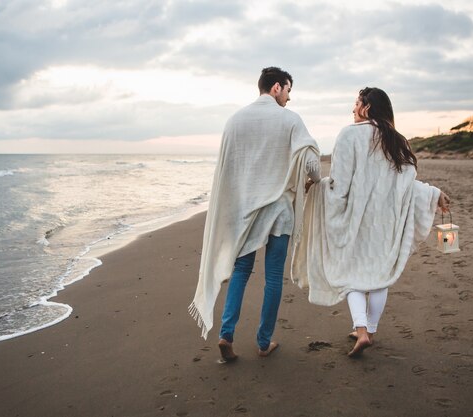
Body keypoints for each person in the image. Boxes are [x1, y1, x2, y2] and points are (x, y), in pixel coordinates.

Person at [292, 87, 450, 357]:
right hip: (386, 220)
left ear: (367, 107)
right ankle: (370, 331)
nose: (353, 109)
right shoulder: (397, 139)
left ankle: (361, 329)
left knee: (352, 273)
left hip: (356, 218)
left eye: (356, 103)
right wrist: (434, 194)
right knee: (378, 276)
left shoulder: (349, 135)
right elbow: (407, 185)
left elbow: (340, 185)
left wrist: (318, 188)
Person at [189, 67, 321, 362]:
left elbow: (227, 169)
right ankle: (263, 342)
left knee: (241, 271)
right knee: (273, 276)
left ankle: (226, 334)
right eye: (288, 90)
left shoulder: (235, 120)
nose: (289, 97)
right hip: (279, 212)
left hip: (245, 213)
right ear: (277, 87)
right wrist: (312, 180)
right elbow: (312, 162)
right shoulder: (290, 119)